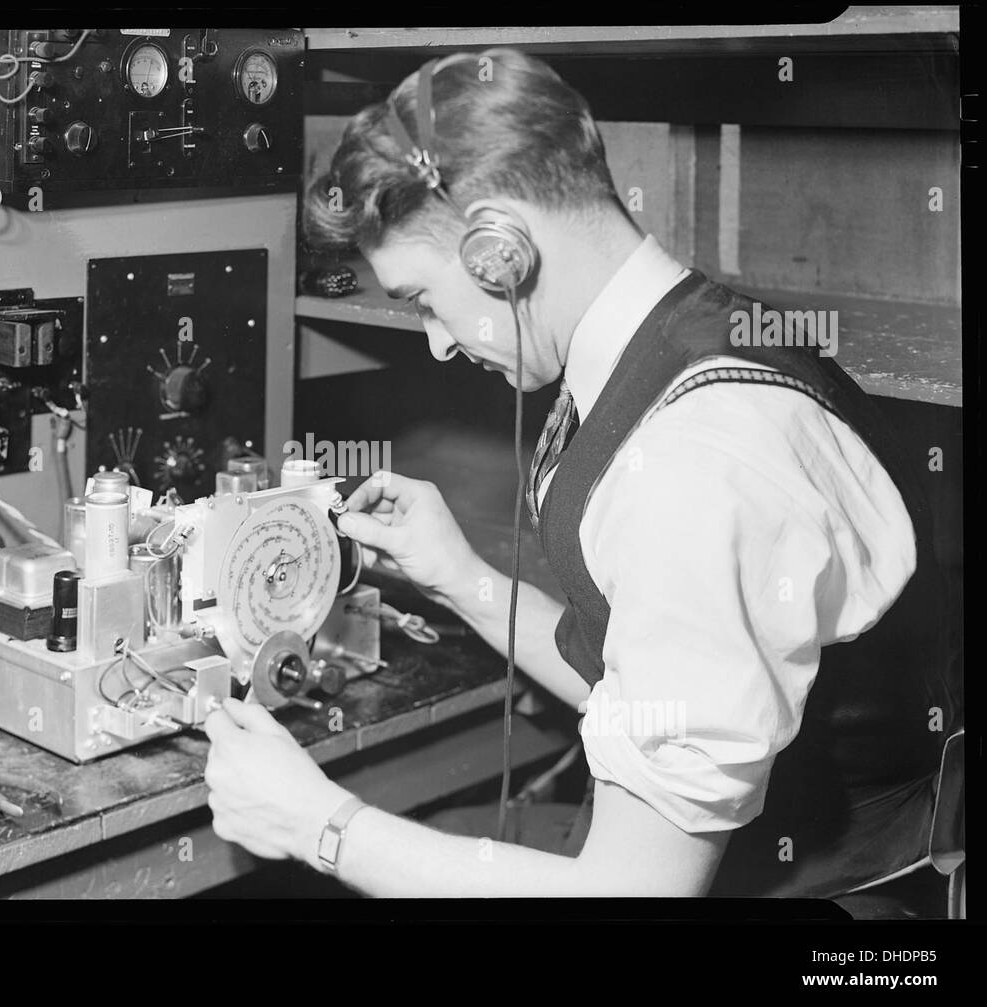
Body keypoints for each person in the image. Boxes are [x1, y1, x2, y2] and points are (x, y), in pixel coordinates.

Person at [203, 48, 957, 899]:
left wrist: (317, 825)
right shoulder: (682, 334)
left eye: (421, 297)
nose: (438, 342)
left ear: (500, 248)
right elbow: (648, 698)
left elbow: (634, 893)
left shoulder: (692, 466)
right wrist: (461, 580)